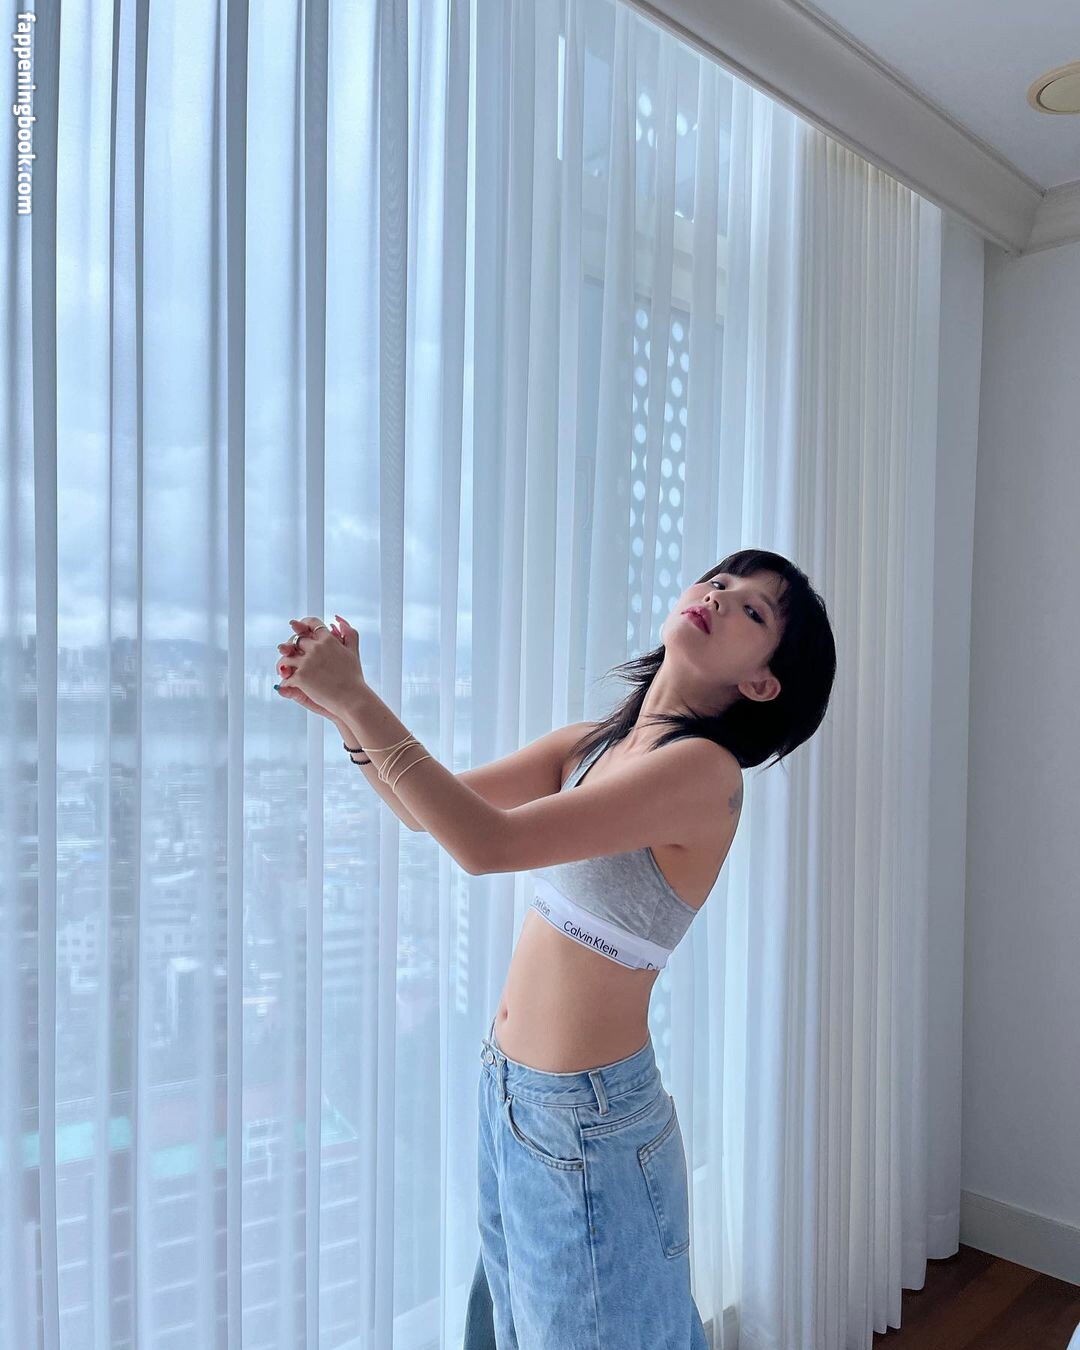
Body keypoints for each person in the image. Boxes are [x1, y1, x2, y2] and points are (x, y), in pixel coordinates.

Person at [274, 547, 837, 1349]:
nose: (720, 595)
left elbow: (486, 845)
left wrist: (358, 698)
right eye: (720, 580)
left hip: (588, 1121)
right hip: (509, 1095)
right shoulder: (593, 744)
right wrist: (346, 716)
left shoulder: (704, 772)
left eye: (753, 609)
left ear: (762, 684)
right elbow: (424, 812)